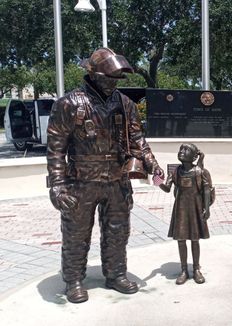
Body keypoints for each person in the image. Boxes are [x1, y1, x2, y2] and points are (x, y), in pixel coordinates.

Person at [46, 48, 165, 303]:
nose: (112, 83)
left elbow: (138, 140)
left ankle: (115, 274)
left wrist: (152, 164)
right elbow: (56, 149)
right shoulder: (68, 104)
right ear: (93, 74)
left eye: (116, 80)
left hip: (117, 180)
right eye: (108, 78)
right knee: (76, 233)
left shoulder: (126, 104)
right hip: (81, 181)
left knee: (118, 231)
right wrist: (57, 186)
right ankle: (74, 279)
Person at [159, 143, 212, 285]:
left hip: (195, 208)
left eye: (186, 150)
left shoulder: (200, 172)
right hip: (181, 209)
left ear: (194, 157)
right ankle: (184, 270)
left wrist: (206, 208)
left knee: (195, 239)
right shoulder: (175, 172)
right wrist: (158, 181)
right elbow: (167, 188)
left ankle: (196, 269)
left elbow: (207, 190)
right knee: (181, 240)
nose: (182, 151)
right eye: (181, 149)